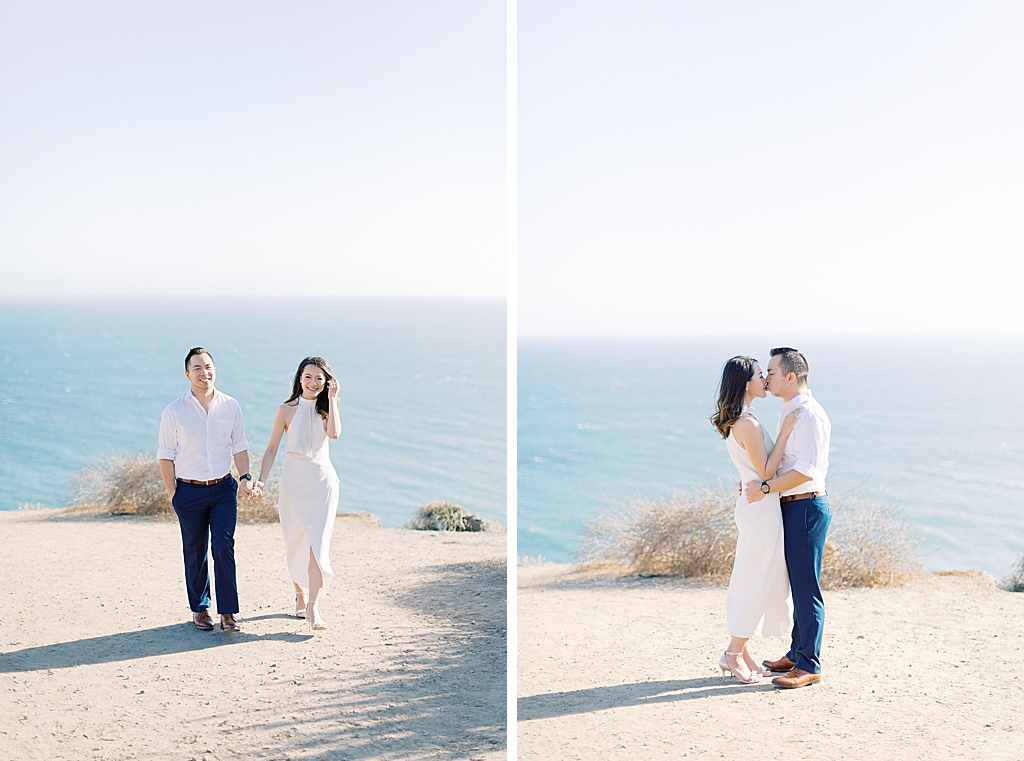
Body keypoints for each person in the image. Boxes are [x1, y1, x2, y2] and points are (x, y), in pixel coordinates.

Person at [743, 347, 832, 689]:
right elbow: (785, 463)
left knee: (807, 588)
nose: (766, 378)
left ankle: (809, 664)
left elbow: (806, 472)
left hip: (806, 505)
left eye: (772, 373)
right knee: (796, 584)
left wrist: (764, 488)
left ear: (790, 377)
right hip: (791, 505)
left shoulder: (808, 414)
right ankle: (796, 653)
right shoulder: (790, 410)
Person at [711, 356, 798, 684]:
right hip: (760, 511)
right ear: (746, 383)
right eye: (761, 375)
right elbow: (765, 472)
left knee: (753, 576)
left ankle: (740, 651)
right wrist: (787, 432)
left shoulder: (742, 420)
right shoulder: (748, 423)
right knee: (756, 579)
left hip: (758, 508)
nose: (765, 380)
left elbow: (754, 471)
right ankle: (732, 653)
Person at [158, 347, 254, 632]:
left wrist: (246, 476)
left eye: (208, 366)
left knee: (224, 547)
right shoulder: (174, 411)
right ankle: (200, 609)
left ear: (215, 369)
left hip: (223, 489)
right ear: (187, 374)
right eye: (197, 368)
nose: (204, 372)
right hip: (188, 492)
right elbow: (165, 456)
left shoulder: (230, 405)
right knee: (195, 550)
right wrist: (173, 494)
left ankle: (228, 613)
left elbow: (239, 446)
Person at [254, 356, 341, 632]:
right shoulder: (285, 410)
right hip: (293, 482)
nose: (313, 382)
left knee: (317, 544)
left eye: (319, 378)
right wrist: (260, 481)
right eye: (308, 376)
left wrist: (334, 399)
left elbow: (335, 434)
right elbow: (271, 449)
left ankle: (314, 606)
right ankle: (299, 593)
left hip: (322, 482)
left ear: (327, 381)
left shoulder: (328, 409)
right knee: (295, 541)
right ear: (299, 378)